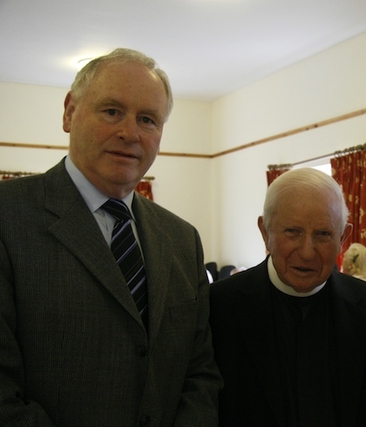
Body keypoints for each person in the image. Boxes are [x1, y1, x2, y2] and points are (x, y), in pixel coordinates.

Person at [0, 48, 223, 426]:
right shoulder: (9, 217)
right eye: (112, 111)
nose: (130, 133)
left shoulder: (182, 239)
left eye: (148, 119)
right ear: (70, 112)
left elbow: (199, 374)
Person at [209, 168, 366, 426]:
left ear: (343, 238)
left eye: (323, 234)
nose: (308, 252)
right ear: (265, 232)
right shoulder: (217, 308)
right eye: (292, 232)